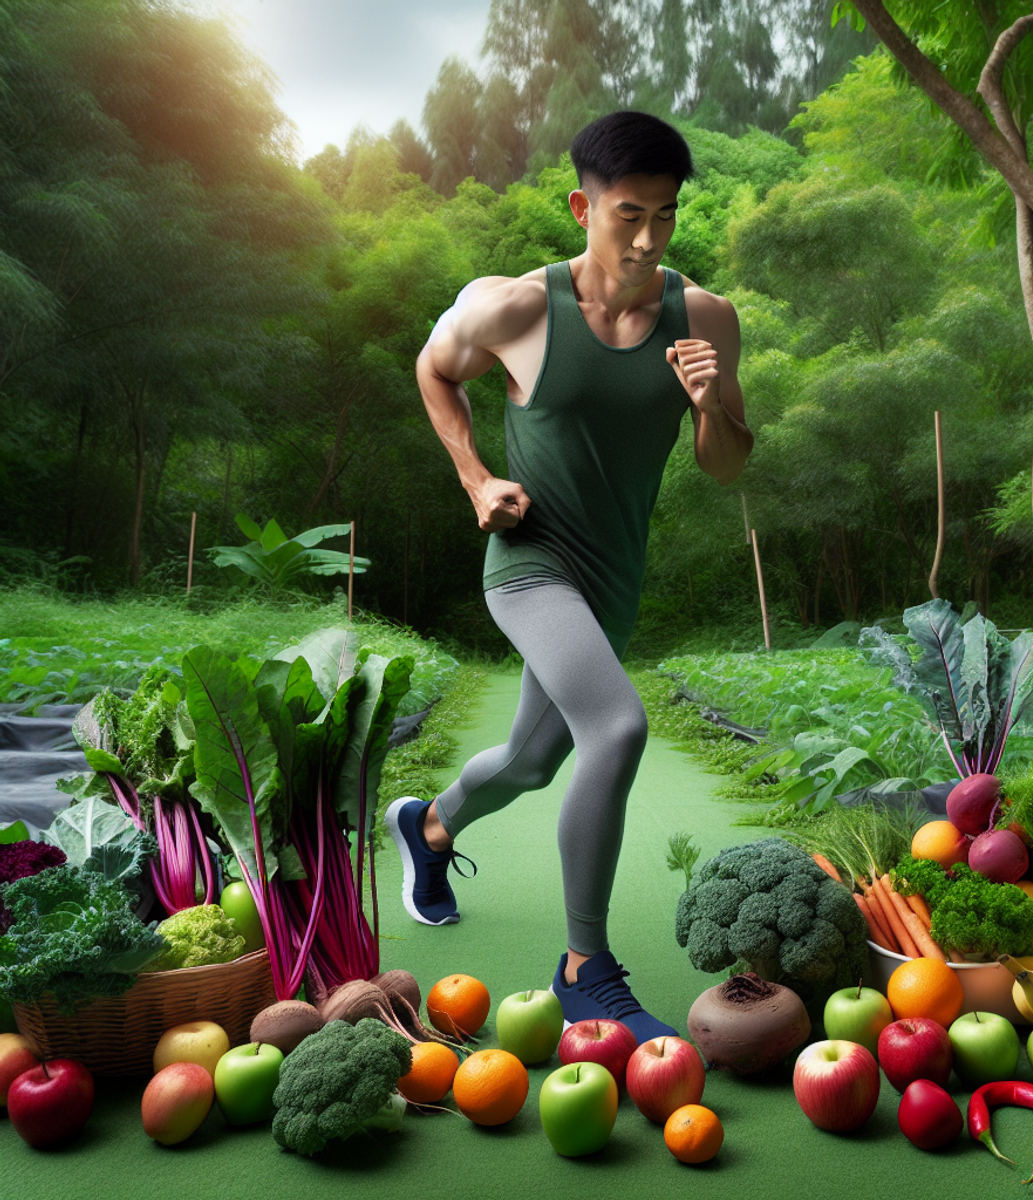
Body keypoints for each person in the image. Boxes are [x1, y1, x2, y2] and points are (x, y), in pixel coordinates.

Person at [385, 110, 753, 1041]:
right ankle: (586, 964)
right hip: (530, 564)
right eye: (628, 214)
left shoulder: (703, 318)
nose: (646, 238)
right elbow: (435, 371)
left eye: (665, 216)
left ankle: (428, 830)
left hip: (613, 575)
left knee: (534, 760)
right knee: (618, 727)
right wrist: (477, 479)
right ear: (582, 206)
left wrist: (710, 406)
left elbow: (727, 465)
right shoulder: (515, 307)